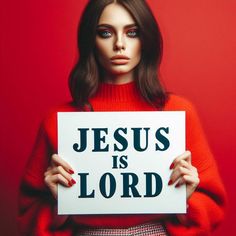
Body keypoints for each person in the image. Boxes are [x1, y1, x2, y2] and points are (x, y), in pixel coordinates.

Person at [18, 0, 227, 235]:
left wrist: (185, 200)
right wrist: (59, 204)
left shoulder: (178, 112)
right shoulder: (59, 119)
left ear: (146, 39)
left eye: (132, 32)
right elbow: (28, 214)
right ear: (91, 40)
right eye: (105, 33)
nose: (119, 44)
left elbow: (213, 207)